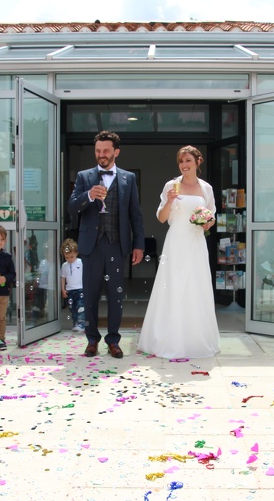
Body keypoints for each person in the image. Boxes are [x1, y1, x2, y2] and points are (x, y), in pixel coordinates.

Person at [67, 131, 145, 359]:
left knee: (115, 296)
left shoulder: (128, 178)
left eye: (106, 151)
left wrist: (138, 244)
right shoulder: (84, 176)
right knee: (90, 295)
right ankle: (92, 340)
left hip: (116, 244)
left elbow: (135, 214)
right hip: (90, 245)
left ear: (116, 152)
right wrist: (88, 195)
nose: (101, 155)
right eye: (98, 151)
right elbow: (71, 207)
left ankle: (113, 340)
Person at [137, 146, 220, 358]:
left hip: (196, 242)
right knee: (172, 287)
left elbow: (211, 216)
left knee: (196, 286)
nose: (184, 165)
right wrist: (170, 200)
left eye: (188, 160)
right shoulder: (171, 186)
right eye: (181, 161)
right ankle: (169, 339)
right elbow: (161, 218)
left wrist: (207, 223)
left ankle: (195, 339)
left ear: (198, 162)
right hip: (176, 241)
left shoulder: (206, 188)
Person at [60, 238, 85, 332]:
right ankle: (75, 323)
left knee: (81, 307)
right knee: (72, 308)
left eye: (72, 257)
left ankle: (81, 324)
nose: (69, 259)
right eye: (67, 257)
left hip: (80, 289)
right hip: (70, 290)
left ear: (76, 253)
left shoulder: (81, 262)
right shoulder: (64, 265)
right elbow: (63, 278)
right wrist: (63, 289)